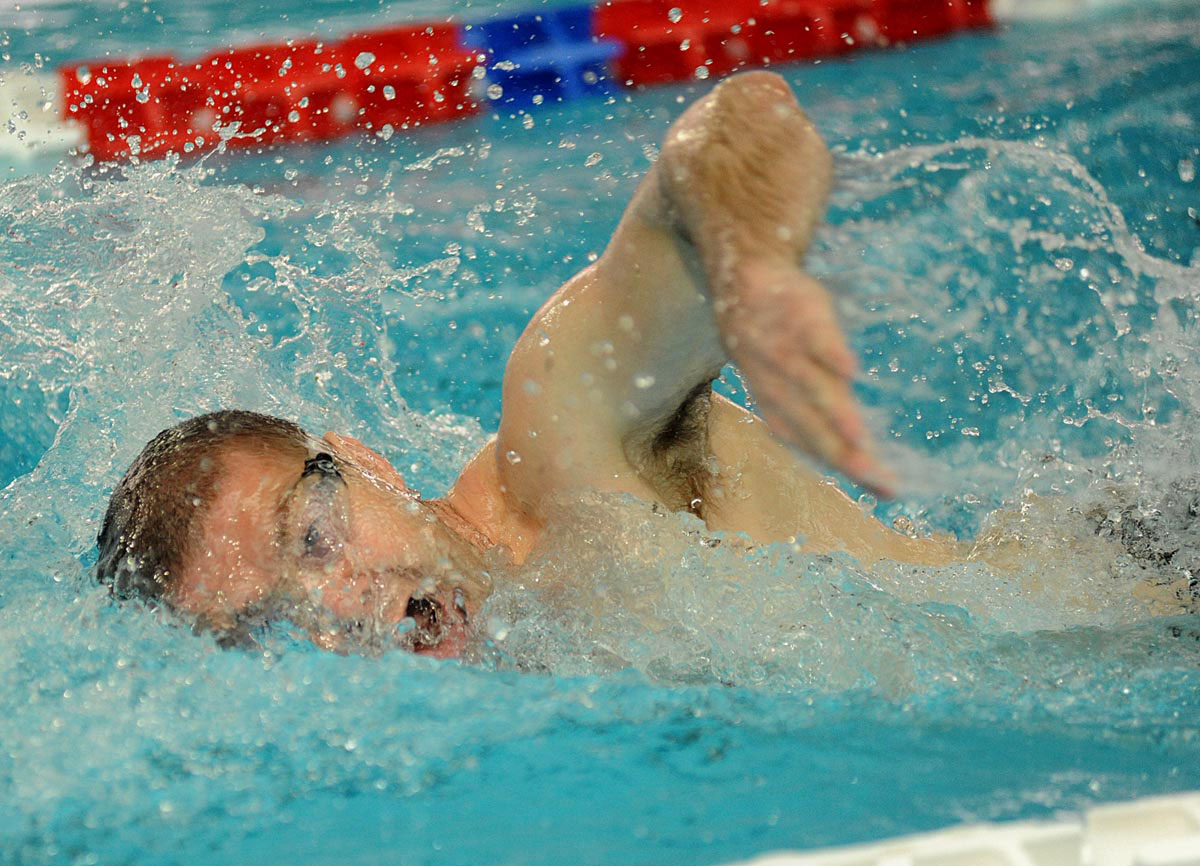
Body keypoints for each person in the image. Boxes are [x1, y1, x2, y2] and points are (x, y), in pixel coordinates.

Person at [96, 71, 971, 656]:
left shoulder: (562, 448)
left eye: (315, 539)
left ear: (363, 462)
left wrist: (748, 267)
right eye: (275, 619)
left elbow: (740, 121)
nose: (337, 607)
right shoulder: (503, 672)